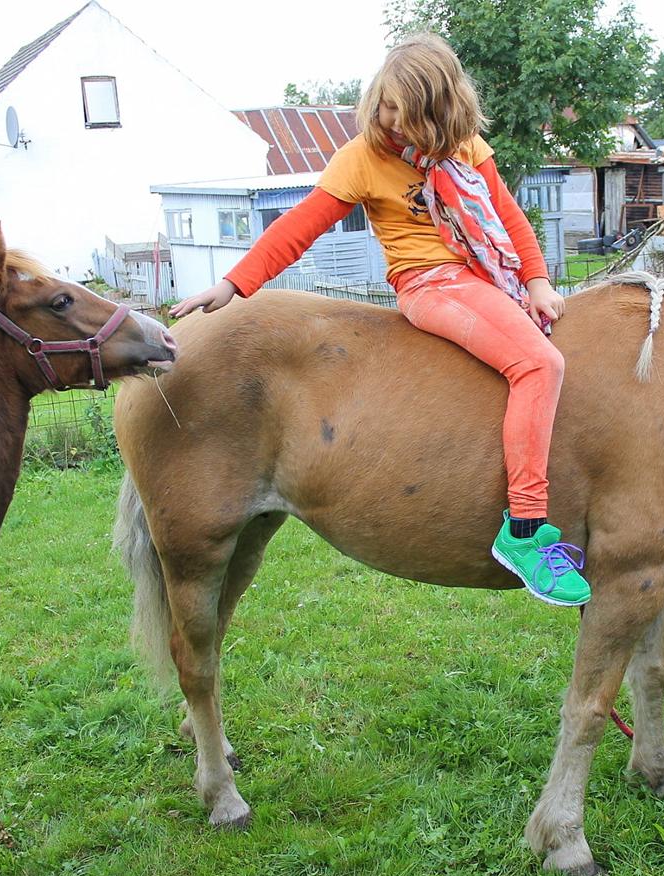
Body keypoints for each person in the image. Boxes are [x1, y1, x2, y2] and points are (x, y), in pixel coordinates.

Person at [170, 33, 590, 607]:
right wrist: (233, 284)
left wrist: (537, 281)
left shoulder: (466, 148)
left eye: (405, 109)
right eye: (385, 102)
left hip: (484, 278)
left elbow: (508, 218)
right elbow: (300, 227)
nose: (389, 117)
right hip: (430, 284)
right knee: (540, 364)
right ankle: (523, 532)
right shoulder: (363, 158)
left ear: (438, 112)